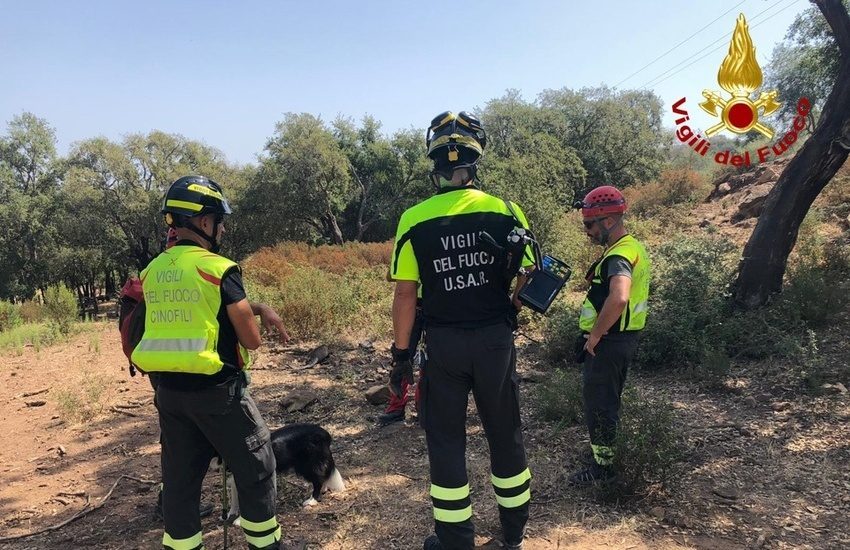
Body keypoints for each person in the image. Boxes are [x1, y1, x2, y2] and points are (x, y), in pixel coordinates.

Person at [389, 111, 533, 550]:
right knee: (504, 432)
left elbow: (405, 295)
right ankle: (513, 533)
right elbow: (529, 274)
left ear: (434, 164)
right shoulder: (507, 211)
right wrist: (510, 304)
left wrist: (400, 357)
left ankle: (455, 540)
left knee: (446, 441)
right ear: (476, 160)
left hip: (445, 346)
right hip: (495, 341)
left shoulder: (414, 219)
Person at [132, 175, 290, 550]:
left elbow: (190, 312)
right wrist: (254, 317)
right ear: (204, 221)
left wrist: (254, 307)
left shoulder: (152, 271)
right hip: (218, 395)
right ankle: (265, 545)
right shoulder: (219, 269)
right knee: (257, 466)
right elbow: (250, 339)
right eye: (219, 220)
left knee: (180, 482)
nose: (222, 228)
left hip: (169, 395)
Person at [569, 185, 651, 486]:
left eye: (589, 225)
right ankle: (604, 455)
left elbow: (619, 298)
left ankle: (603, 470)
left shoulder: (619, 255)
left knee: (600, 405)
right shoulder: (632, 247)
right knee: (607, 401)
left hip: (609, 341)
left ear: (608, 221)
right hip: (620, 339)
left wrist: (594, 336)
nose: (587, 232)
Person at [377, 281, 424, 427]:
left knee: (431, 359)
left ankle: (424, 407)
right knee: (402, 358)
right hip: (412, 304)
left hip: (435, 304)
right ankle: (397, 407)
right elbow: (393, 277)